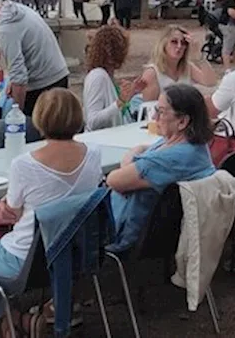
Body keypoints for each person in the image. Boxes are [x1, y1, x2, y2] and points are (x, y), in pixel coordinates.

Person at [0, 89, 103, 328]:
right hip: (74, 252)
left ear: (40, 119)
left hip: (26, 258)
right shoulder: (94, 155)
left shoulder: (24, 164)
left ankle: (11, 319)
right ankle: (39, 313)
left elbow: (12, 214)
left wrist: (6, 205)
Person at [106, 84, 216, 251]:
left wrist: (130, 157)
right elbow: (147, 152)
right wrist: (138, 153)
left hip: (124, 231)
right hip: (165, 230)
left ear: (182, 121)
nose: (155, 117)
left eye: (161, 112)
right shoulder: (195, 147)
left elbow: (113, 180)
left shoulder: (169, 159)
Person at [82, 25, 145, 130]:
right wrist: (120, 102)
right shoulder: (98, 77)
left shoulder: (106, 76)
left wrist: (130, 94)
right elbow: (92, 121)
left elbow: (117, 113)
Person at [138, 26, 218, 103]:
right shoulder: (152, 73)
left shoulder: (187, 67)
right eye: (174, 42)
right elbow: (149, 107)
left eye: (183, 43)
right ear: (164, 44)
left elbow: (210, 82)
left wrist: (199, 57)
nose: (179, 46)